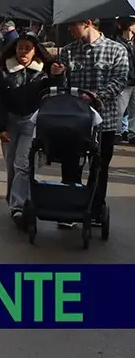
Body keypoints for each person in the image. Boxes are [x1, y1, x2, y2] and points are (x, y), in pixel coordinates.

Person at [54, 17, 129, 226]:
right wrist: (58, 75)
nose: (70, 30)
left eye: (73, 25)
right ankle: (69, 210)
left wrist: (96, 96)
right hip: (74, 119)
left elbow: (120, 80)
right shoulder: (68, 51)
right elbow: (63, 85)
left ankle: (94, 209)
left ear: (87, 23)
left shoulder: (116, 50)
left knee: (99, 166)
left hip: (105, 119)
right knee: (70, 163)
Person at [0, 33, 62, 231]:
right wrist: (0, 127)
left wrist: (58, 74)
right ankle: (14, 199)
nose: (23, 52)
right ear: (15, 49)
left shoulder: (43, 74)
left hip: (32, 121)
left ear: (35, 51)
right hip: (10, 122)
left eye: (28, 48)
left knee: (23, 164)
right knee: (11, 166)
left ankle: (18, 207)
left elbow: (55, 92)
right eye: (20, 47)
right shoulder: (2, 73)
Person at [115, 18, 135, 143]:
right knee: (119, 109)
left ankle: (132, 133)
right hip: (124, 81)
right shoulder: (117, 43)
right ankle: (116, 133)